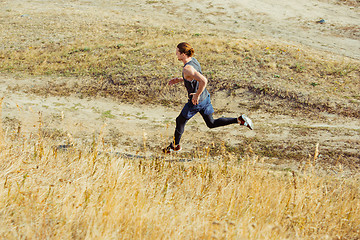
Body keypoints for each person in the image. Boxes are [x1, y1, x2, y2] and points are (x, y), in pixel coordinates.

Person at [163, 42, 253, 153]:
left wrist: (196, 95)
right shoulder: (193, 61)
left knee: (180, 120)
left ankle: (174, 146)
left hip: (196, 101)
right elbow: (195, 76)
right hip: (205, 98)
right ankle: (239, 120)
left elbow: (204, 80)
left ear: (183, 55)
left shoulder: (187, 68)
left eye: (177, 52)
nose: (176, 54)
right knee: (211, 123)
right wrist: (180, 79)